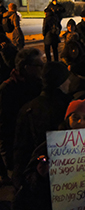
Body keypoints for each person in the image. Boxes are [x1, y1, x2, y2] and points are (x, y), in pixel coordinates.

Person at [11, 99, 85, 210]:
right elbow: (29, 182)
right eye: (75, 117)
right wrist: (40, 174)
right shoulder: (51, 145)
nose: (80, 122)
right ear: (67, 119)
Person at [13, 62, 71, 189]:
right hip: (61, 178)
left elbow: (20, 149)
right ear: (60, 82)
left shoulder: (28, 108)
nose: (69, 82)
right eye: (67, 79)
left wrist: (19, 182)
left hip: (36, 175)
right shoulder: (66, 109)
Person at [0, 48, 43, 185]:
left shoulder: (39, 85)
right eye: (39, 65)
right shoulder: (7, 90)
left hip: (37, 145)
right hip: (19, 149)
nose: (42, 68)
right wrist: (8, 157)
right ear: (27, 68)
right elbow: (4, 124)